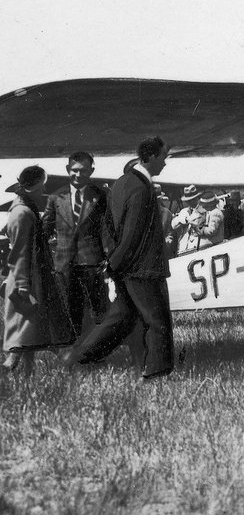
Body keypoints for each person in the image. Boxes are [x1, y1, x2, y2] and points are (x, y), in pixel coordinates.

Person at [65, 136, 175, 379]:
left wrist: (113, 262)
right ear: (152, 157)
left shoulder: (122, 183)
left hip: (127, 267)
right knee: (157, 322)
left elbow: (109, 227)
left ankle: (80, 357)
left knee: (121, 318)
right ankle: (158, 375)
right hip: (142, 269)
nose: (165, 164)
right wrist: (116, 264)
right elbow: (132, 235)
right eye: (164, 158)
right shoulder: (140, 188)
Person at [3, 167, 75, 375]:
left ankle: (27, 371)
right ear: (34, 186)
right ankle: (69, 362)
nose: (44, 188)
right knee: (32, 330)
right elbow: (18, 254)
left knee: (29, 332)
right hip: (26, 281)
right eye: (42, 184)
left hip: (31, 278)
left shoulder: (25, 208)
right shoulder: (22, 213)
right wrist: (24, 286)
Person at [42, 151, 109, 333]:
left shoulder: (100, 196)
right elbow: (44, 233)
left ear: (91, 171)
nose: (78, 175)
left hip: (92, 263)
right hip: (64, 266)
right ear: (67, 169)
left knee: (99, 310)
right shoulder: (55, 198)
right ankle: (74, 353)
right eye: (74, 170)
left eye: (84, 171)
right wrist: (45, 261)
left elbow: (107, 230)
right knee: (70, 311)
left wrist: (108, 257)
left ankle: (97, 353)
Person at [171, 187, 224, 253]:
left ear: (197, 198)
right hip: (184, 247)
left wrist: (192, 221)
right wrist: (184, 220)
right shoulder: (184, 211)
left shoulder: (205, 210)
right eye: (188, 200)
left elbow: (204, 227)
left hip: (200, 246)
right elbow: (174, 225)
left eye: (193, 199)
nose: (190, 202)